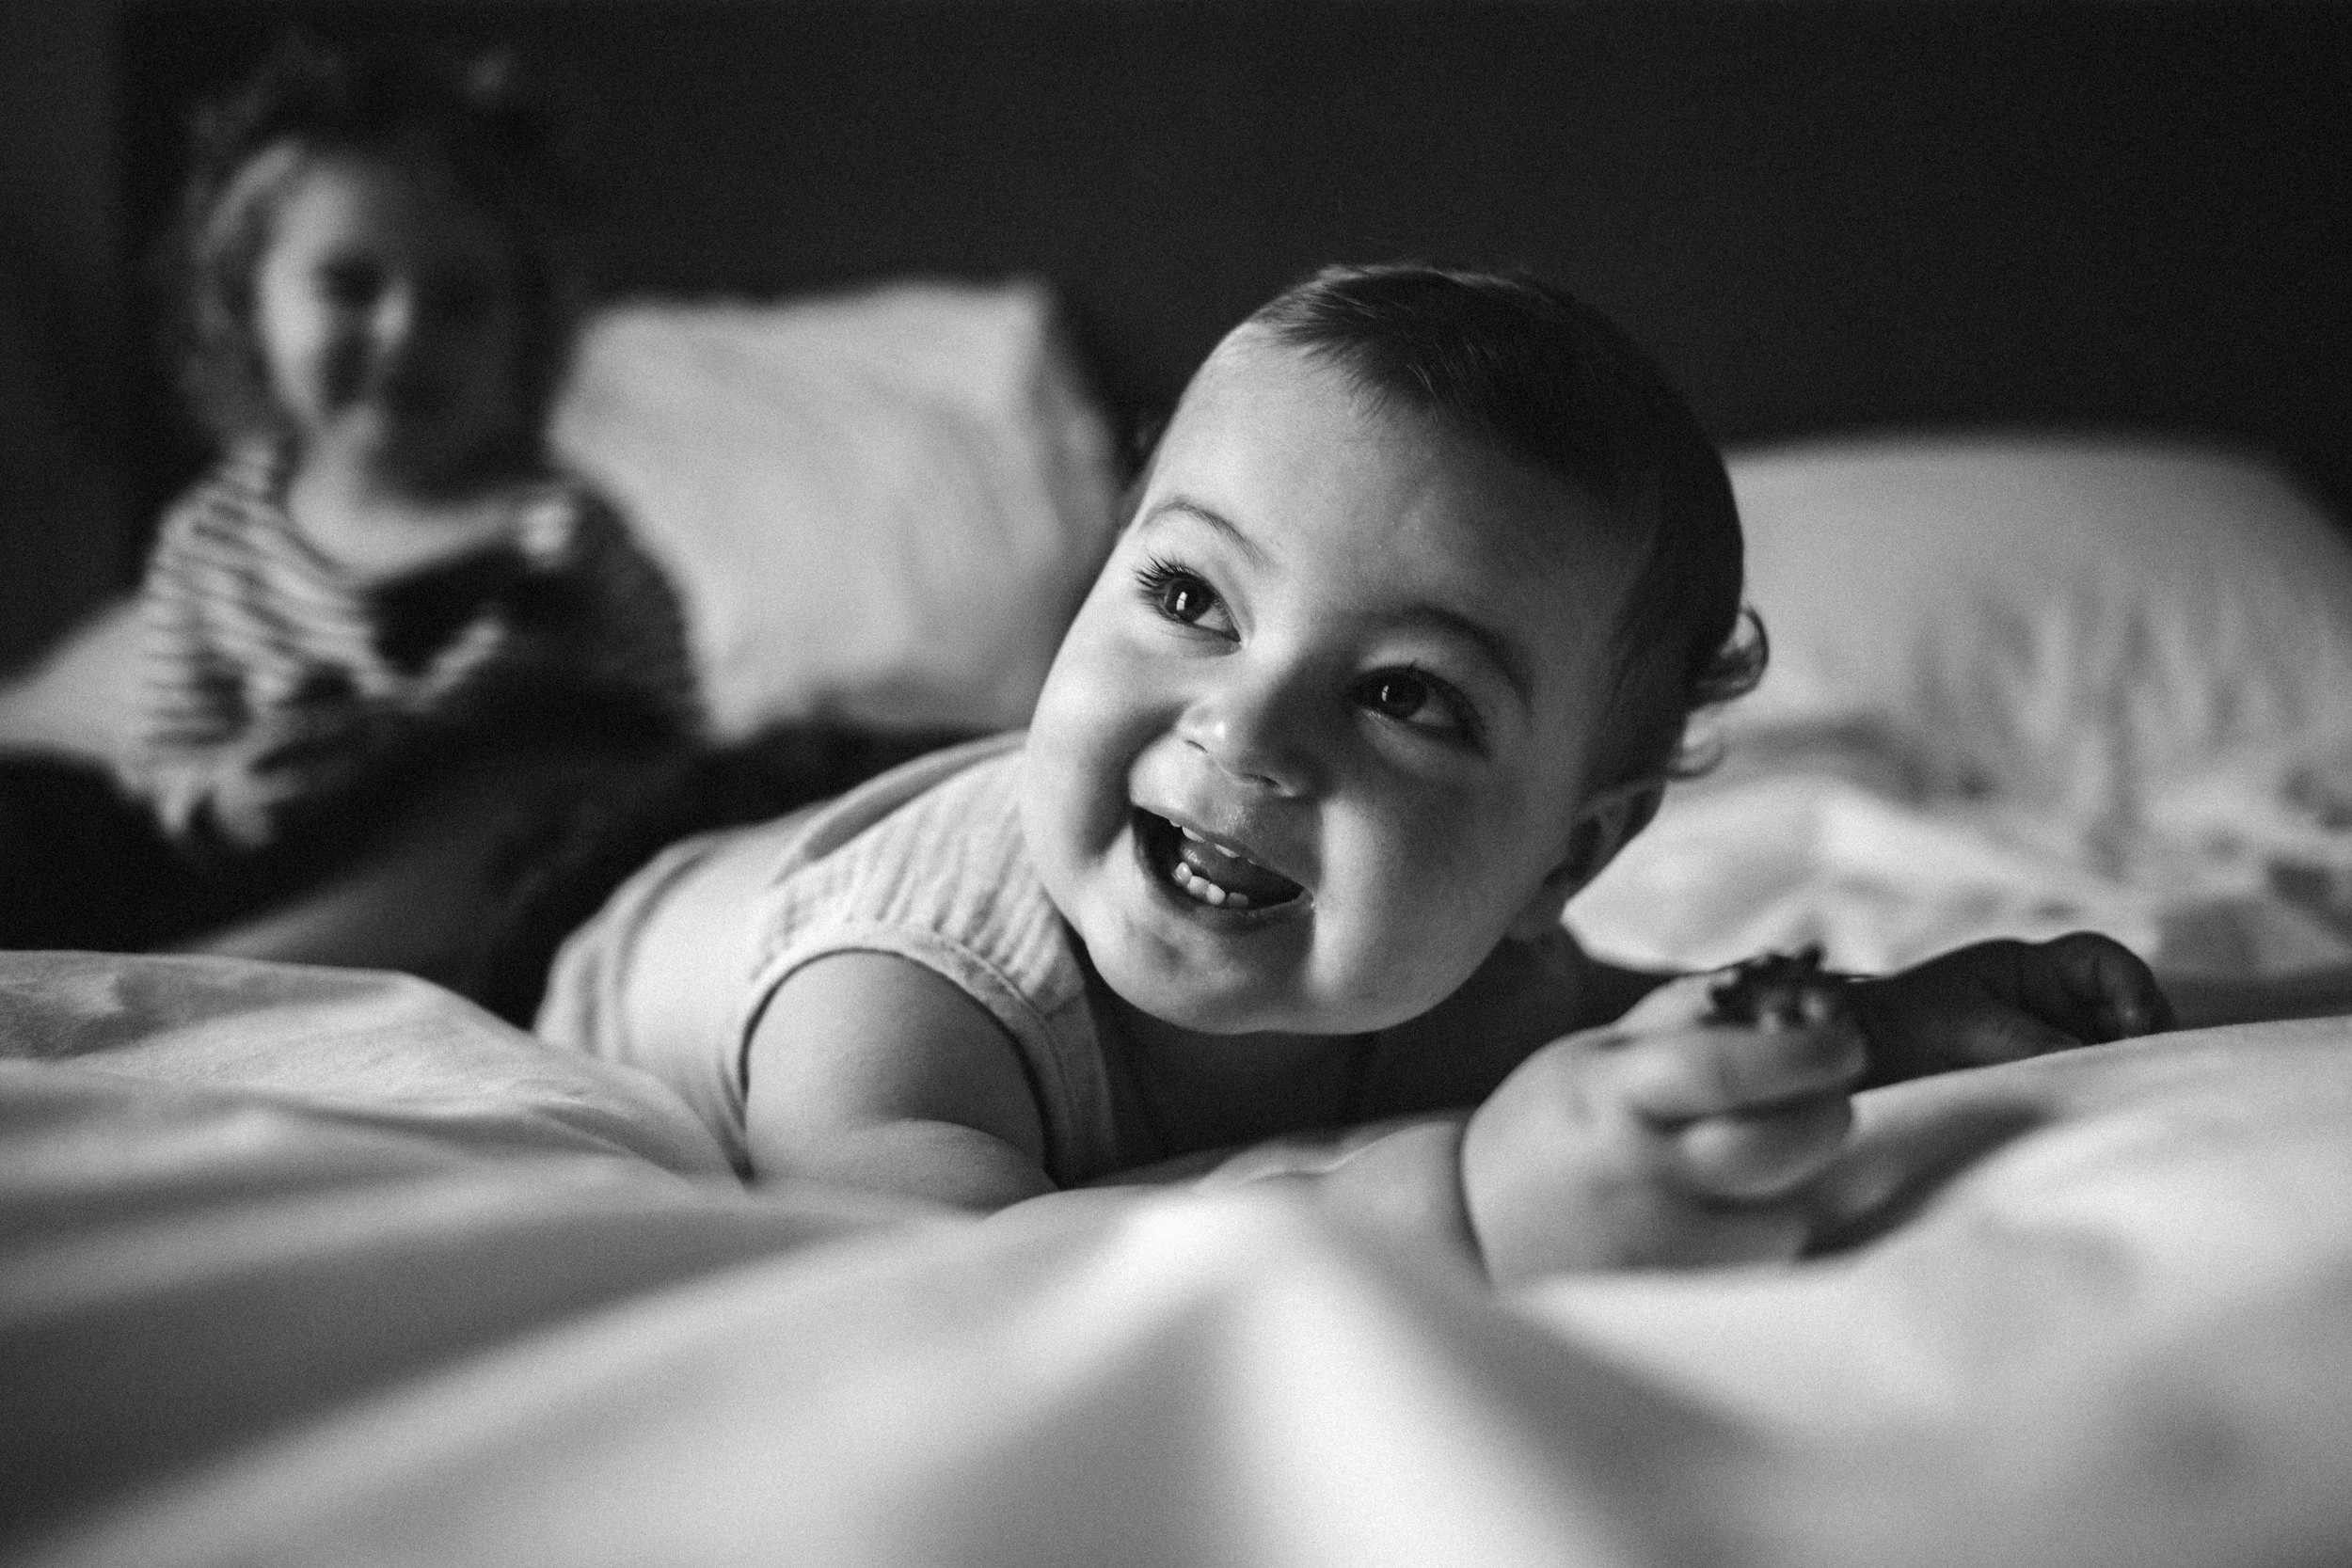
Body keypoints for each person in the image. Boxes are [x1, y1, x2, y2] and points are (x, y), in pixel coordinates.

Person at [539, 263, 2173, 1283]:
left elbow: (1643, 1032)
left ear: (1561, 863)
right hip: (630, 883)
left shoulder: (1475, 977)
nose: (1248, 730)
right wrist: (1471, 1204)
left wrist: (1895, 1022)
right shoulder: (909, 997)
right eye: (1188, 599)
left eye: (1406, 696)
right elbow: (950, 1281)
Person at [0, 40, 699, 959]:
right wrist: (222, 791)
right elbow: (168, 755)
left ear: (526, 334)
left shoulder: (561, 534)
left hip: (453, 868)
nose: (403, 330)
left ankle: (248, 976)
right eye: (348, 284)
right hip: (255, 867)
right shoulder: (216, 537)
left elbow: (661, 747)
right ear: (248, 311)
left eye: (459, 301)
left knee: (559, 748)